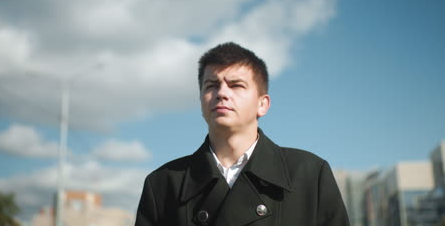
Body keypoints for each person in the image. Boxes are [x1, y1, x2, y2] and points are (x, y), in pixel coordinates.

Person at [135, 42, 349, 226]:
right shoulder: (162, 184)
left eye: (236, 85)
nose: (222, 93)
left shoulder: (309, 174)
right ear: (201, 99)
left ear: (262, 104)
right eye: (211, 85)